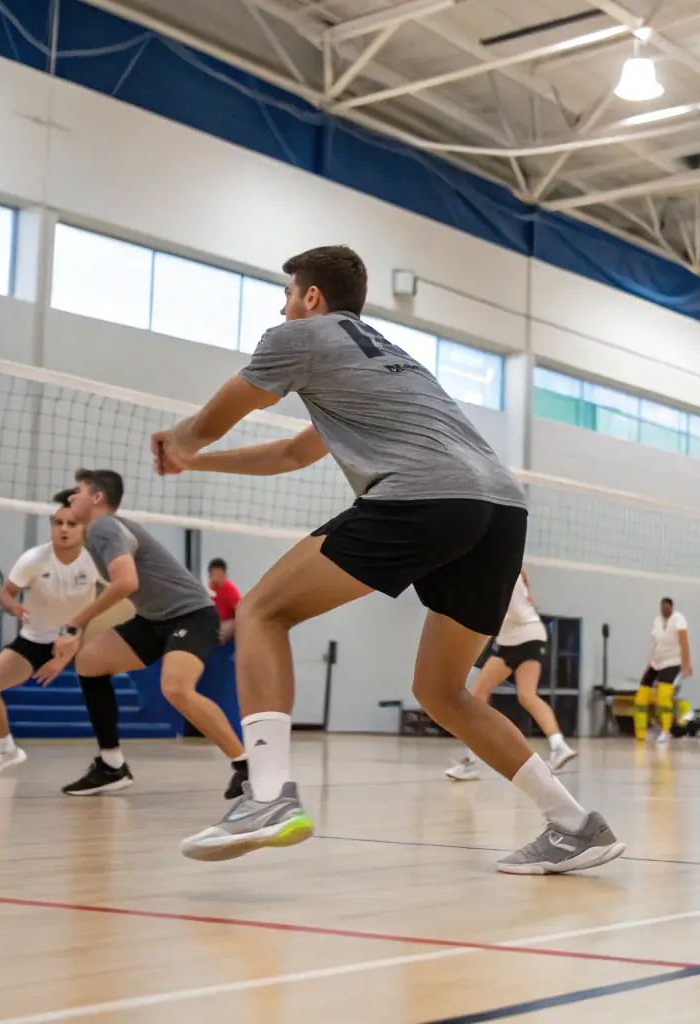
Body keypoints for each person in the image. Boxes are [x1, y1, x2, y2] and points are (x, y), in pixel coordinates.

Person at [150, 245, 622, 873]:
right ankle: (575, 824)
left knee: (262, 610)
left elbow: (215, 417)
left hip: (422, 496)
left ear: (312, 297)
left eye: (288, 292)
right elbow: (294, 453)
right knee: (441, 690)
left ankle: (266, 796)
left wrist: (181, 441)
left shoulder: (300, 335)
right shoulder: (386, 359)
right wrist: (199, 462)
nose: (282, 304)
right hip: (500, 511)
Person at [59, 469, 247, 797]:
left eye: (79, 490)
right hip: (153, 619)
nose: (72, 497)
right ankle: (112, 765)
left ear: (97, 497)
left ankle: (246, 767)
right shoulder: (101, 533)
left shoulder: (104, 526)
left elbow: (126, 582)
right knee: (88, 662)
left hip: (192, 614)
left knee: (176, 688)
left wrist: (75, 623)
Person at [0, 497, 110, 777]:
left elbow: (119, 591)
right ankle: (6, 750)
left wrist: (67, 653)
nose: (64, 529)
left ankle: (112, 761)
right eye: (58, 523)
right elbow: (4, 592)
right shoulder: (34, 558)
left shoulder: (95, 561)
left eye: (72, 523)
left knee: (103, 687)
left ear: (83, 528)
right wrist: (14, 608)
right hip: (34, 641)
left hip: (78, 638)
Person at [445, 571, 576, 780]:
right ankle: (559, 745)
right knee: (526, 695)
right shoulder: (503, 576)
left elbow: (513, 613)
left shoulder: (503, 575)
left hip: (519, 639)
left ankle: (471, 759)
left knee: (477, 696)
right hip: (525, 638)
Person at [637, 598, 690, 743]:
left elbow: (684, 642)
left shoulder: (678, 619)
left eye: (667, 608)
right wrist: (650, 661)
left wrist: (687, 664)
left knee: (663, 696)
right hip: (657, 661)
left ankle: (666, 731)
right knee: (642, 694)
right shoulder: (657, 620)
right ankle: (640, 733)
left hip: (672, 662)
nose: (664, 611)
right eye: (662, 608)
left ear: (672, 607)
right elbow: (656, 643)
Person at [208, 558, 241, 643]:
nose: (215, 579)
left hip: (226, 629)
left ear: (225, 574)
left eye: (218, 575)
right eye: (213, 575)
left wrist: (231, 625)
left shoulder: (231, 591)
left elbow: (240, 615)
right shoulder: (209, 589)